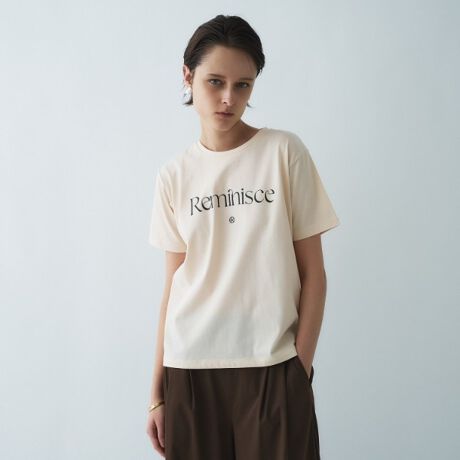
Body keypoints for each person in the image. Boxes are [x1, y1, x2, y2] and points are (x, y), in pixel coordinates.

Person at [145, 14, 340, 460]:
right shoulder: (173, 175)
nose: (229, 98)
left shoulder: (284, 153)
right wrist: (156, 394)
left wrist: (299, 369)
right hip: (189, 371)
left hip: (274, 367)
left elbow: (314, 274)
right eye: (215, 82)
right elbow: (172, 286)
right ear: (187, 76)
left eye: (243, 85)